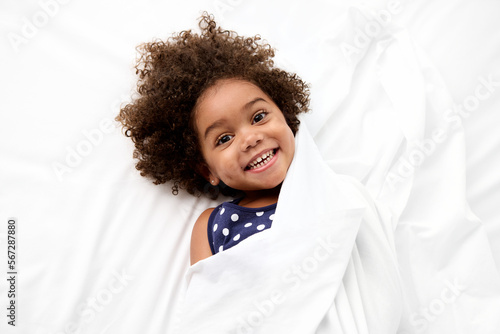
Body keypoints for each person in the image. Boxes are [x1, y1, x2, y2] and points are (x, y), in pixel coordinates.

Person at [115, 12, 310, 265]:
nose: (250, 139)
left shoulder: (328, 182)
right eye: (224, 138)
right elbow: (206, 299)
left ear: (284, 114)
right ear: (207, 170)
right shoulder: (215, 223)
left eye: (259, 116)